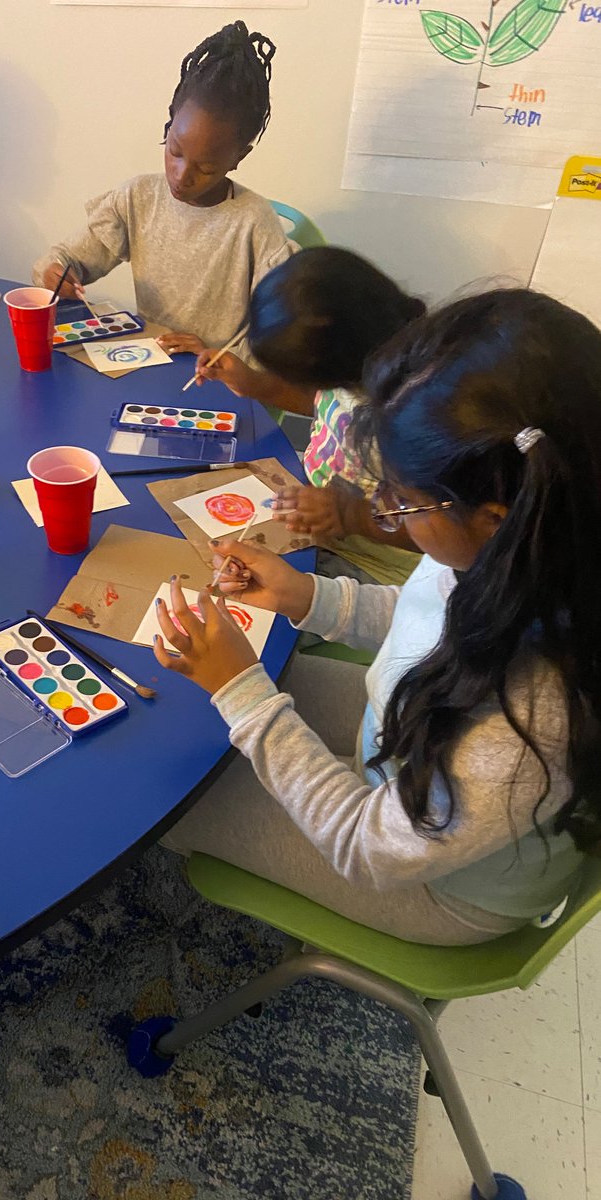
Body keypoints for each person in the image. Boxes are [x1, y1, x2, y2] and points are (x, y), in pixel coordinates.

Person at [152, 288, 600, 946]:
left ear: (493, 519)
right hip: (412, 747)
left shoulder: (533, 719)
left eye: (402, 504)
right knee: (195, 728)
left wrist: (243, 692)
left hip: (437, 889)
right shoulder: (521, 550)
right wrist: (309, 598)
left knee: (170, 798)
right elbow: (427, 612)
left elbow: (367, 847)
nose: (385, 516)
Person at [32, 20, 293, 362]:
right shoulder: (138, 198)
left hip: (214, 381)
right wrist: (58, 271)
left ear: (238, 157)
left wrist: (218, 358)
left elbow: (278, 339)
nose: (182, 176)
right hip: (146, 363)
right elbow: (64, 259)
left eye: (206, 168)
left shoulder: (254, 224)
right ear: (170, 124)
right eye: (175, 151)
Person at [194, 247, 427, 585]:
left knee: (235, 601)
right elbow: (322, 404)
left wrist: (353, 515)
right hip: (314, 521)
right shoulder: (360, 365)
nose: (309, 389)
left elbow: (450, 525)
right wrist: (256, 385)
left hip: (373, 568)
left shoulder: (418, 418)